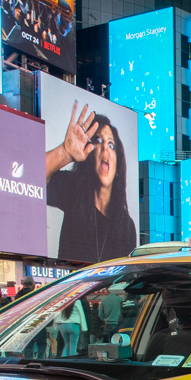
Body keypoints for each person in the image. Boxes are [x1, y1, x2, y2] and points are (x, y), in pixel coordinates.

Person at [46, 102, 137, 262]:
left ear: (118, 163)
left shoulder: (126, 226)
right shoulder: (73, 188)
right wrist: (65, 153)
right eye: (98, 141)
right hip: (72, 286)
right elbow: (30, 175)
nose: (105, 149)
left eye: (111, 144)